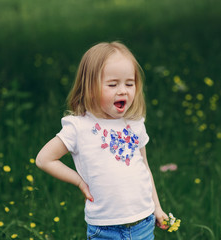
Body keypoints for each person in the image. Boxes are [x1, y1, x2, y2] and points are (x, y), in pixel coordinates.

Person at [36, 41, 169, 239]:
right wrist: (79, 182)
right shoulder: (79, 127)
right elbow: (44, 159)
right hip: (105, 230)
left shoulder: (134, 124)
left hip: (143, 222)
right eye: (113, 84)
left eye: (129, 84)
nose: (123, 90)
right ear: (89, 88)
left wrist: (157, 208)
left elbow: (145, 169)